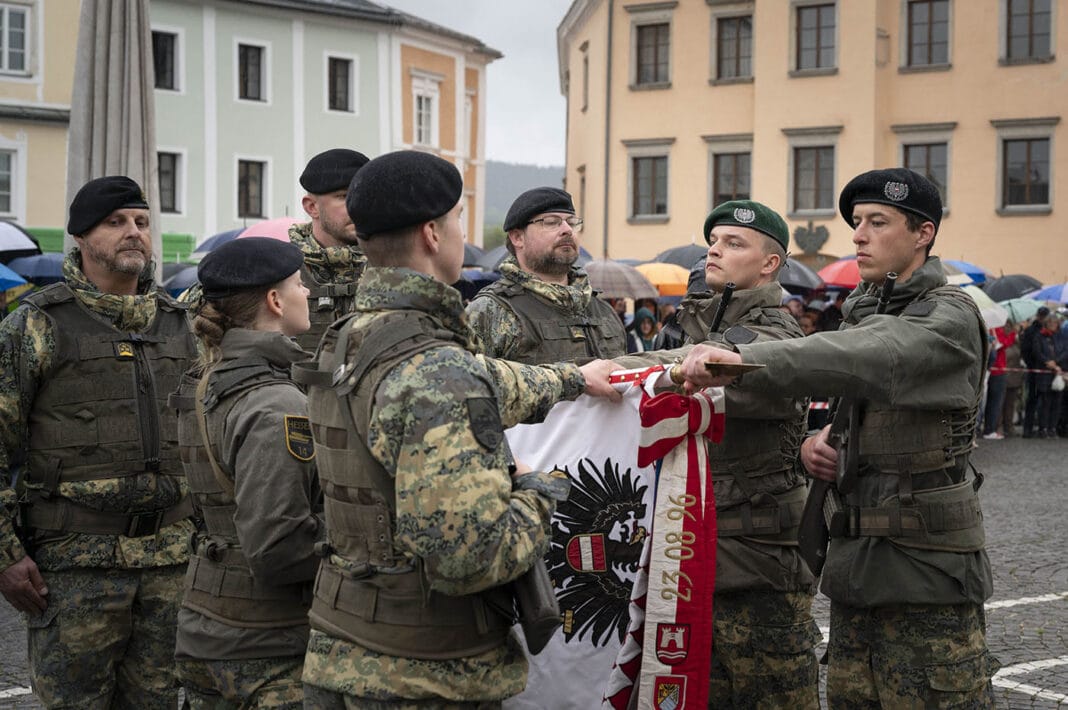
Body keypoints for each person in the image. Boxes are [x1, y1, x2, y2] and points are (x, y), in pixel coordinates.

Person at [295, 150, 621, 708]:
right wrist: (540, 489)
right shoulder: (436, 365)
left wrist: (571, 378)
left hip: (344, 641)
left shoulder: (351, 335)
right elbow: (470, 557)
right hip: (424, 672)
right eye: (457, 221)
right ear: (431, 234)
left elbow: (487, 377)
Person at [677, 169, 998, 708]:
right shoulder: (867, 313)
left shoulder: (949, 316)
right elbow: (860, 402)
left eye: (878, 222)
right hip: (857, 571)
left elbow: (866, 356)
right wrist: (817, 443)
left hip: (927, 574)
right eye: (856, 222)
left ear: (923, 234)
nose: (858, 235)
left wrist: (744, 359)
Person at [0, 176, 197, 707]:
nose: (133, 232)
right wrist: (5, 555)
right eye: (115, 223)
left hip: (171, 565)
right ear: (82, 239)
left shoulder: (183, 327)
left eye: (141, 222)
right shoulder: (36, 326)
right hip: (74, 568)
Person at [616, 200, 819, 708]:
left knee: (770, 692)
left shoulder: (778, 335)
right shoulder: (694, 323)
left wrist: (634, 372)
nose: (716, 249)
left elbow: (720, 379)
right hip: (689, 546)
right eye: (715, 240)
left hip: (757, 552)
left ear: (769, 264)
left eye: (734, 243)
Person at [170, 237, 323, 709]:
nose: (308, 294)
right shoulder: (277, 403)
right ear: (275, 301)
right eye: (299, 284)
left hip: (207, 625)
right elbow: (278, 547)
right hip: (265, 647)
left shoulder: (203, 380)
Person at [466, 187, 625, 362]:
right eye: (551, 222)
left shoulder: (602, 311)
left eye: (572, 222)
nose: (567, 230)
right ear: (518, 237)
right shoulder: (489, 312)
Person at [289, 148, 371, 352]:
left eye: (363, 196)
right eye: (344, 197)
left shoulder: (388, 266)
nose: (357, 205)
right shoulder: (283, 271)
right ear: (312, 207)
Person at [1020, 306, 1050, 438]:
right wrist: (1031, 365)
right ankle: (1028, 428)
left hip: (1042, 371)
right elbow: (1026, 350)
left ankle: (1039, 428)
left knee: (1040, 400)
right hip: (1034, 370)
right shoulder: (1032, 331)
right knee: (1032, 400)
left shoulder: (1046, 331)